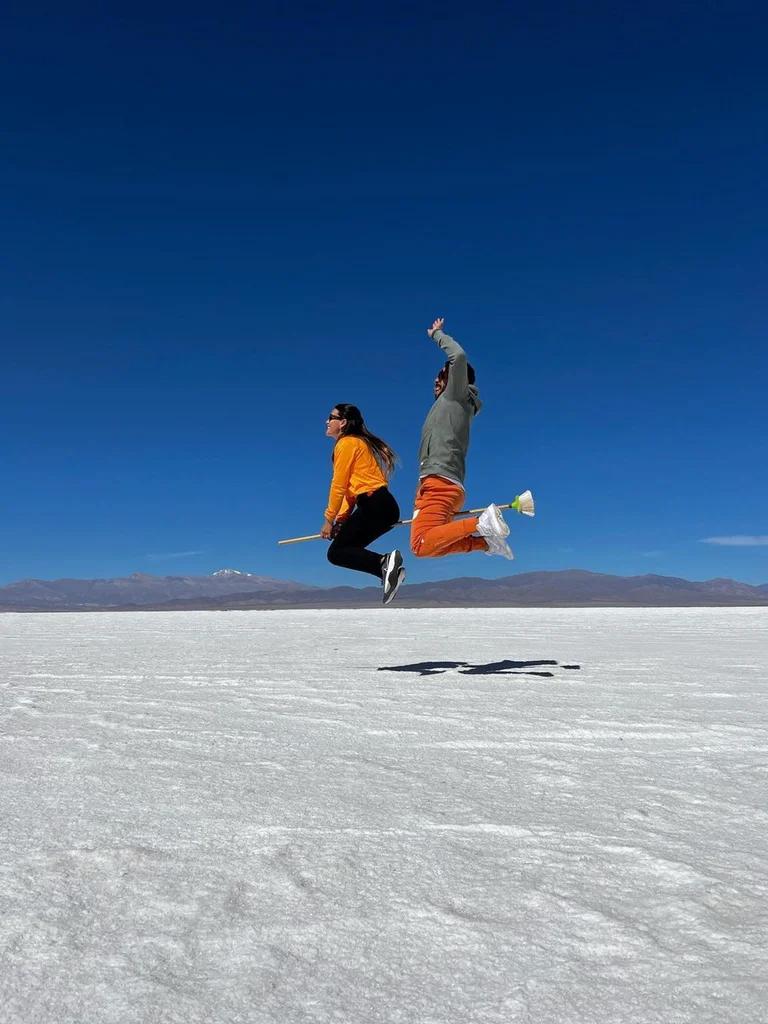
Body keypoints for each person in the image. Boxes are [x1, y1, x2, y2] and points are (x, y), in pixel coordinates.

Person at [410, 318, 513, 560]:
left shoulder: (455, 395)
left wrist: (437, 334)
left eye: (442, 375)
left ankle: (481, 523)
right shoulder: (452, 405)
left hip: (440, 482)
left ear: (456, 380)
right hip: (438, 483)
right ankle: (485, 543)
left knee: (421, 544)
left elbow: (458, 356)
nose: (436, 380)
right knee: (429, 544)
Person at [322, 404, 405, 604]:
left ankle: (383, 563)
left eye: (330, 417)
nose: (326, 421)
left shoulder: (346, 444)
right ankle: (386, 570)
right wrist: (341, 520)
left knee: (336, 552)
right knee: (345, 549)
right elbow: (351, 493)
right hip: (382, 506)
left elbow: (339, 485)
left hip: (374, 504)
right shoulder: (356, 444)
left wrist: (329, 519)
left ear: (342, 423)